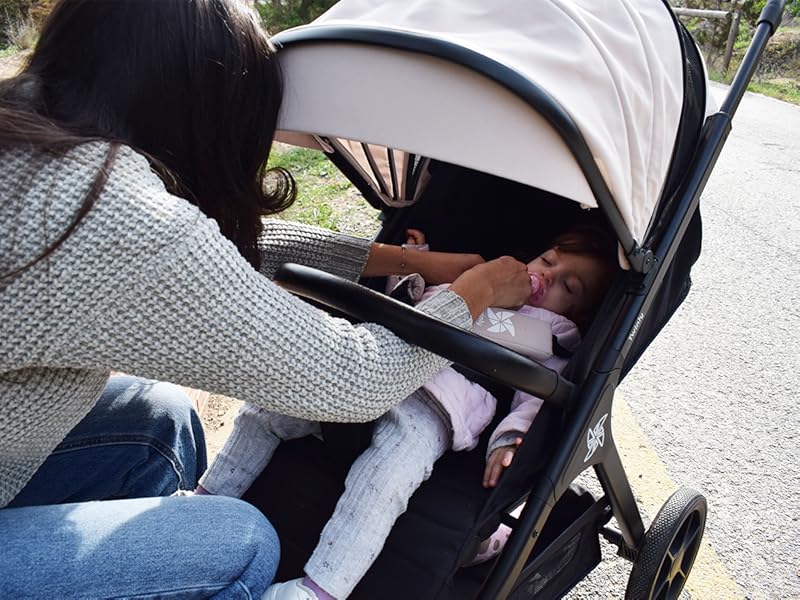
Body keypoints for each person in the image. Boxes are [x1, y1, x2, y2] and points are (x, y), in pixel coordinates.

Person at [0, 1, 534, 598]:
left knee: (159, 422)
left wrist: (416, 263)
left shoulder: (30, 129)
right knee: (239, 542)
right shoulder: (110, 219)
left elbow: (243, 247)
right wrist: (475, 293)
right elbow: (352, 380)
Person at [196, 226, 619, 600]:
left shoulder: (552, 336)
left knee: (383, 480)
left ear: (577, 314)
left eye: (568, 286)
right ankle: (209, 499)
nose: (547, 275)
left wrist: (510, 440)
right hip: (372, 372)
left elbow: (538, 398)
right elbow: (416, 302)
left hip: (436, 405)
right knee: (266, 409)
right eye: (547, 261)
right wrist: (412, 261)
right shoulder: (482, 278)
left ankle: (320, 587)